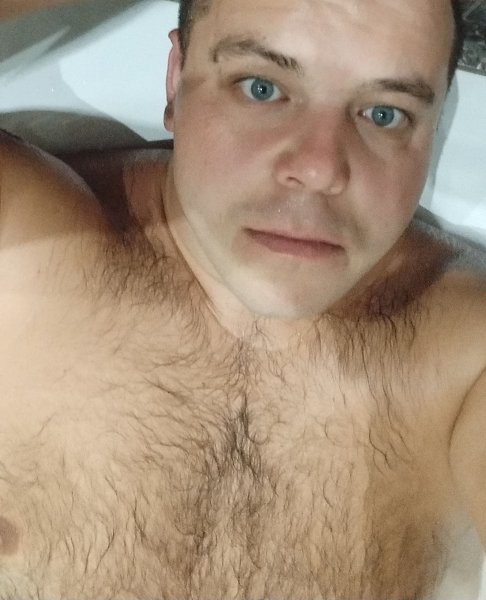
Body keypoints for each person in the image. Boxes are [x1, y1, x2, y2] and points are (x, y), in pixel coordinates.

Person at [0, 0, 484, 598]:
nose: (319, 169)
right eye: (262, 88)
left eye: (385, 113)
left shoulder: (469, 355)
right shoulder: (22, 237)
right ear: (176, 82)